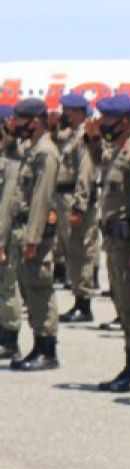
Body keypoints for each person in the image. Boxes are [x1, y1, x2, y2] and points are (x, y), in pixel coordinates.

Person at [86, 95, 130, 392]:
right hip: (115, 241)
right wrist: (91, 141)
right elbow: (98, 159)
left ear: (125, 121)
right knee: (124, 304)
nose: (103, 124)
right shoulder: (120, 152)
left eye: (108, 119)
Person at [6, 98, 61, 371]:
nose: (14, 124)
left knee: (39, 287)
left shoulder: (46, 153)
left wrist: (33, 237)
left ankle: (46, 348)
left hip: (34, 232)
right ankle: (39, 343)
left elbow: (41, 199)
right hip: (23, 229)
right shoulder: (32, 150)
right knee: (29, 287)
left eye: (19, 119)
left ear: (35, 122)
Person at [56, 93, 100, 324]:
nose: (66, 114)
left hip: (75, 198)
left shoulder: (85, 135)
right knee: (71, 251)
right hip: (64, 197)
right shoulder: (71, 134)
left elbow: (86, 171)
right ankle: (78, 298)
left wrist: (80, 205)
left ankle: (84, 304)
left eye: (70, 110)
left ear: (81, 112)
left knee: (81, 251)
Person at [0, 105, 24, 361]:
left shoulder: (10, 166)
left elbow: (6, 206)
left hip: (5, 235)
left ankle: (10, 339)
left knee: (6, 286)